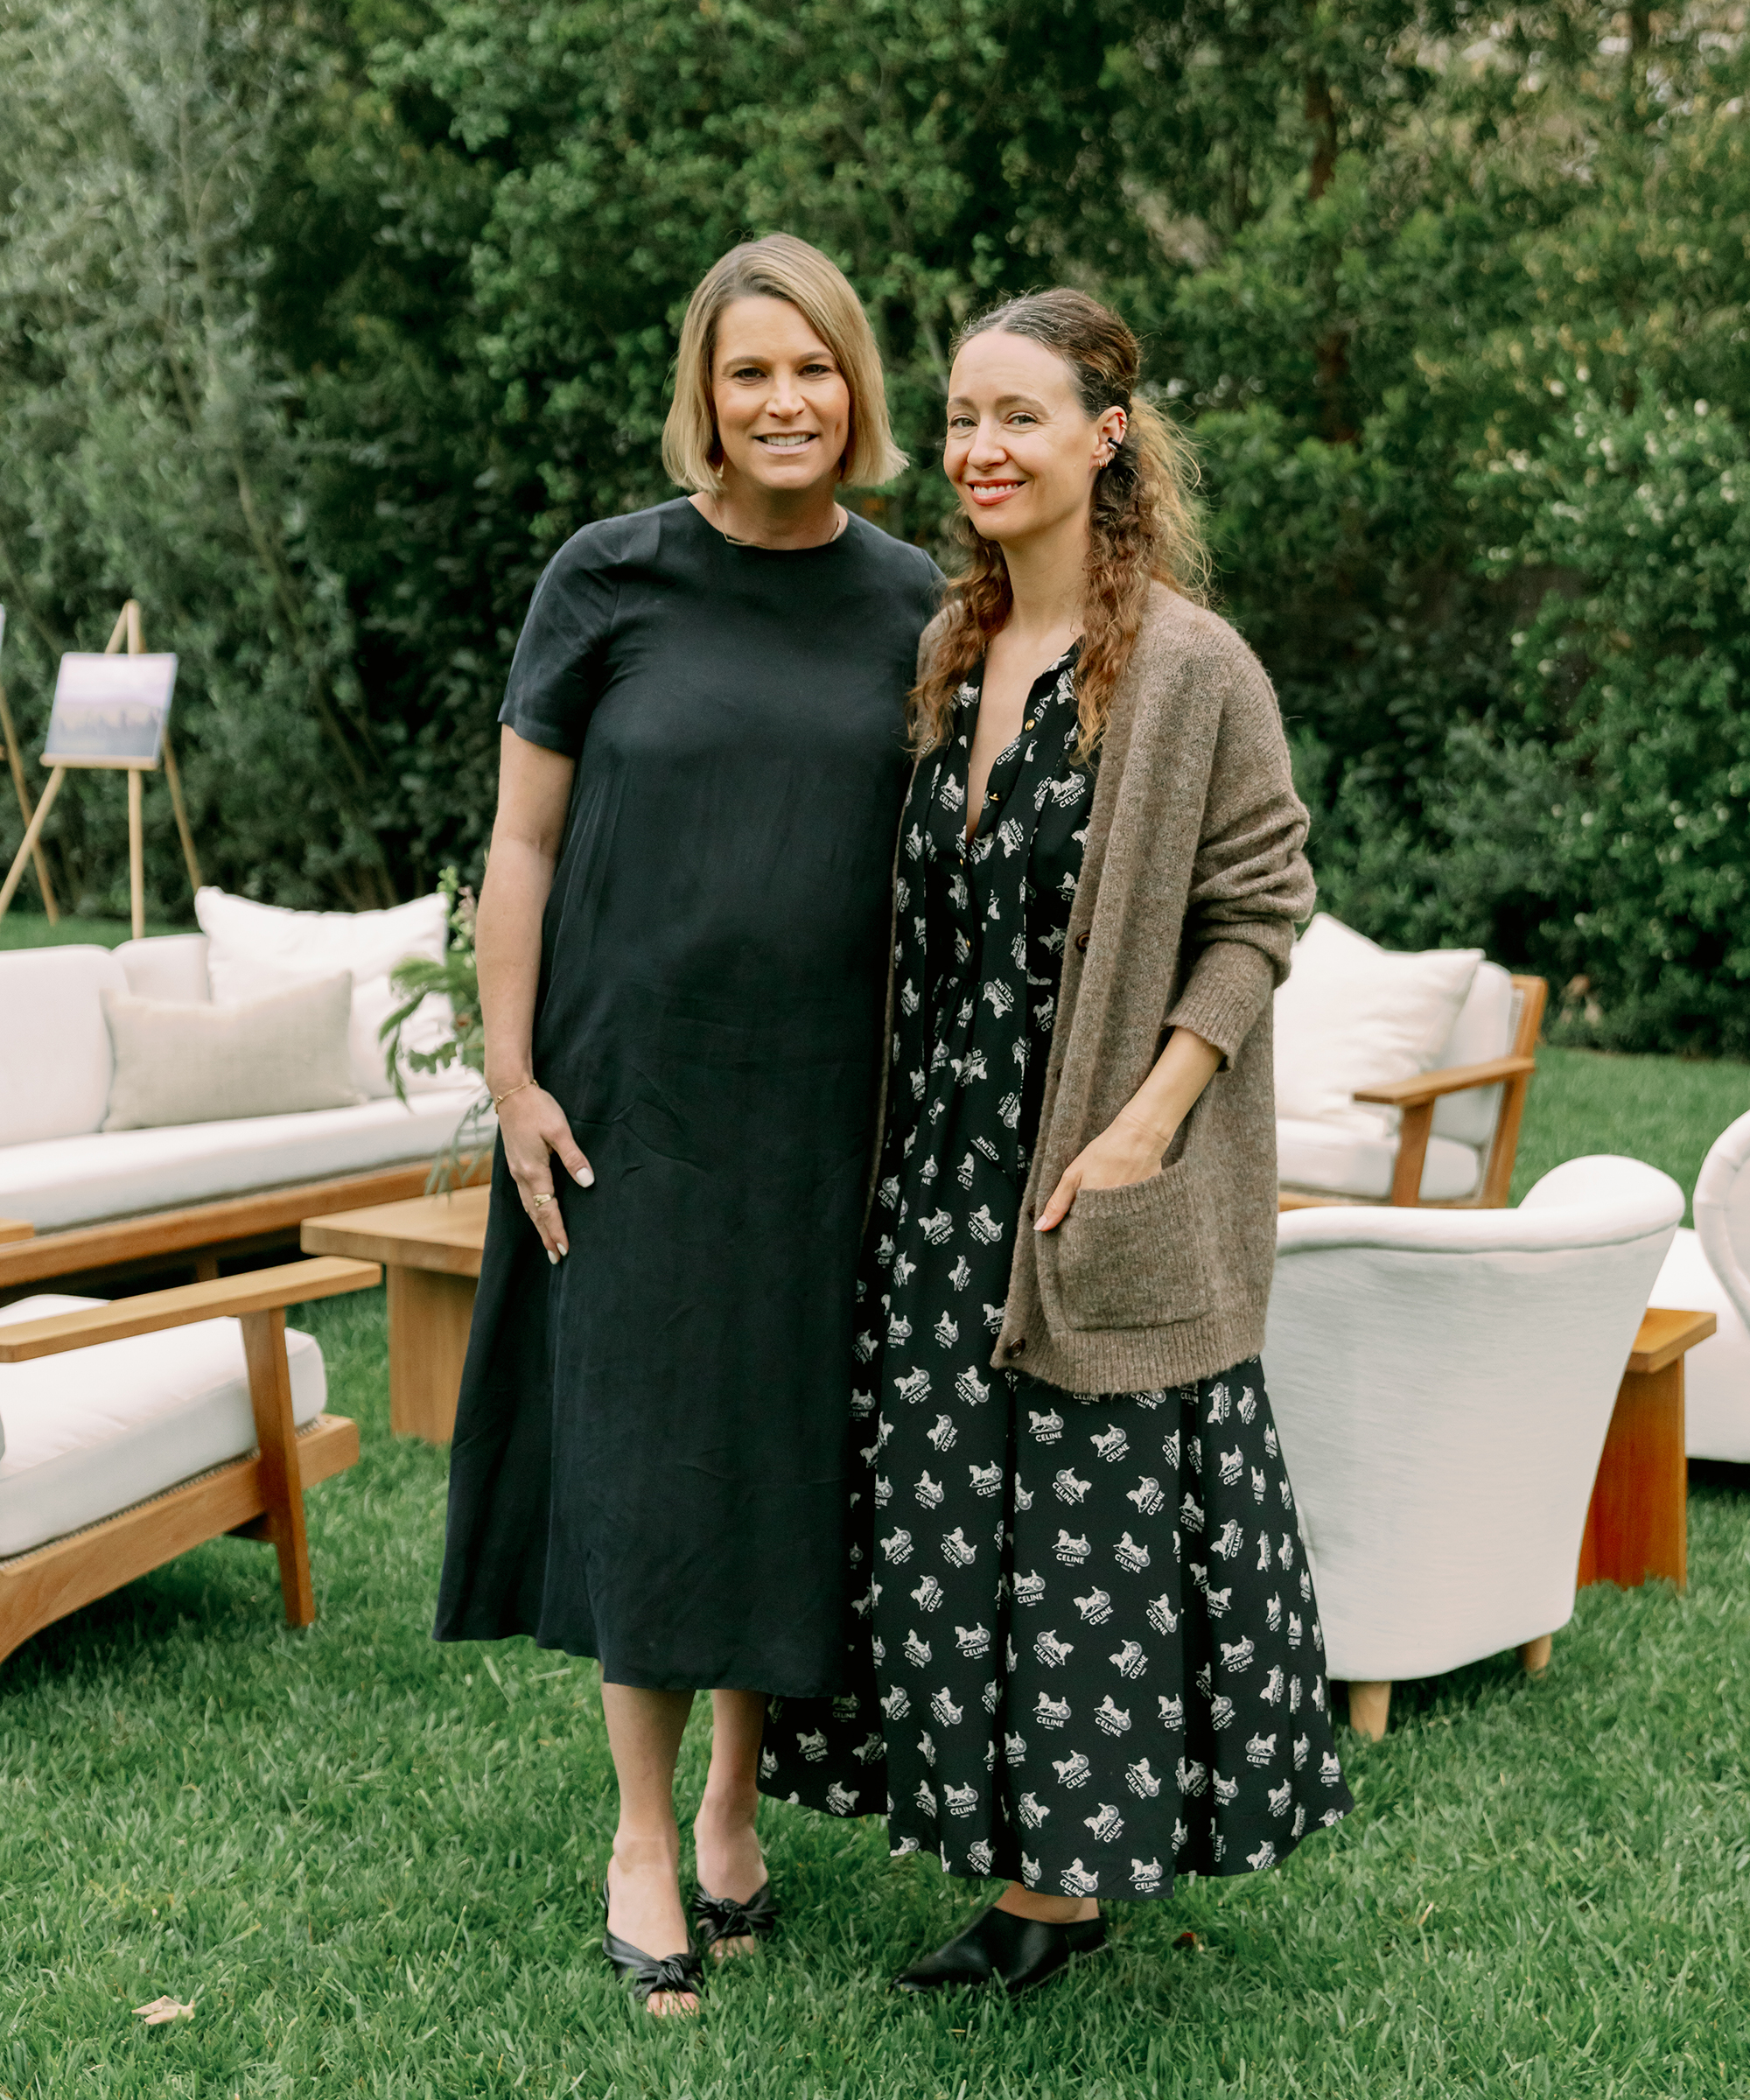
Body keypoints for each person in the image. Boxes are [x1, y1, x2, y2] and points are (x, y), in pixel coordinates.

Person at [761, 287, 1351, 1992]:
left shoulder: (1188, 666)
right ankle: (1017, 1862)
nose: (977, 448)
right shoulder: (948, 648)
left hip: (1090, 1167)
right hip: (942, 1165)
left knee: (1085, 1524)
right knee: (954, 1511)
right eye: (958, 417)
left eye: (1016, 415)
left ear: (1108, 437)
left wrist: (1147, 1124)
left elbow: (1256, 910)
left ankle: (1060, 1895)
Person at [433, 233, 942, 2016]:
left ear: (856, 389)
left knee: (784, 1444)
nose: (784, 402)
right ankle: (641, 1832)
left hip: (826, 1108)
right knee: (653, 1450)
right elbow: (522, 847)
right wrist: (511, 1074)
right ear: (703, 398)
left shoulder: (915, 602)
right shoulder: (607, 580)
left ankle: (740, 1802)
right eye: (748, 374)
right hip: (627, 1093)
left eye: (812, 370)